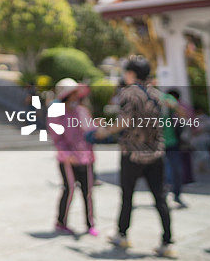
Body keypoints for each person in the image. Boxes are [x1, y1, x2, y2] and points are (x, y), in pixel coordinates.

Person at [96, 57, 174, 258]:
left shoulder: (129, 92)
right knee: (160, 198)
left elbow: (125, 120)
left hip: (132, 153)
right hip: (156, 152)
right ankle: (168, 242)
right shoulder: (156, 94)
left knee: (127, 196)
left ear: (131, 73)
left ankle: (122, 234)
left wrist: (103, 132)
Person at [50, 78, 96, 236]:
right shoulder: (56, 113)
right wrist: (67, 154)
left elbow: (90, 131)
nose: (76, 96)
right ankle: (61, 222)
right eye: (73, 93)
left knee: (87, 191)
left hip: (85, 158)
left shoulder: (82, 111)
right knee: (69, 190)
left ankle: (90, 224)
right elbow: (57, 138)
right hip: (68, 159)